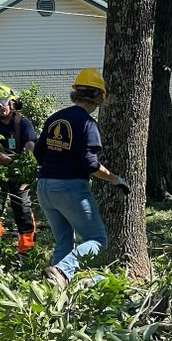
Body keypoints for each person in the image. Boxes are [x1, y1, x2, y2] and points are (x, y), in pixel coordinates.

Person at [33, 68, 130, 288]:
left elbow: (38, 154)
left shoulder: (55, 118)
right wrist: (117, 180)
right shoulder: (88, 124)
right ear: (99, 96)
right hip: (70, 188)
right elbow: (91, 164)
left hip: (44, 187)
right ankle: (61, 270)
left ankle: (55, 289)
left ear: (76, 93)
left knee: (64, 240)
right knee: (97, 240)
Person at [0, 86, 39, 254]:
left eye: (1, 105)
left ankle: (27, 248)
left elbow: (30, 145)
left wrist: (15, 161)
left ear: (11, 104)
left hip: (19, 174)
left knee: (22, 209)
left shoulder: (23, 123)